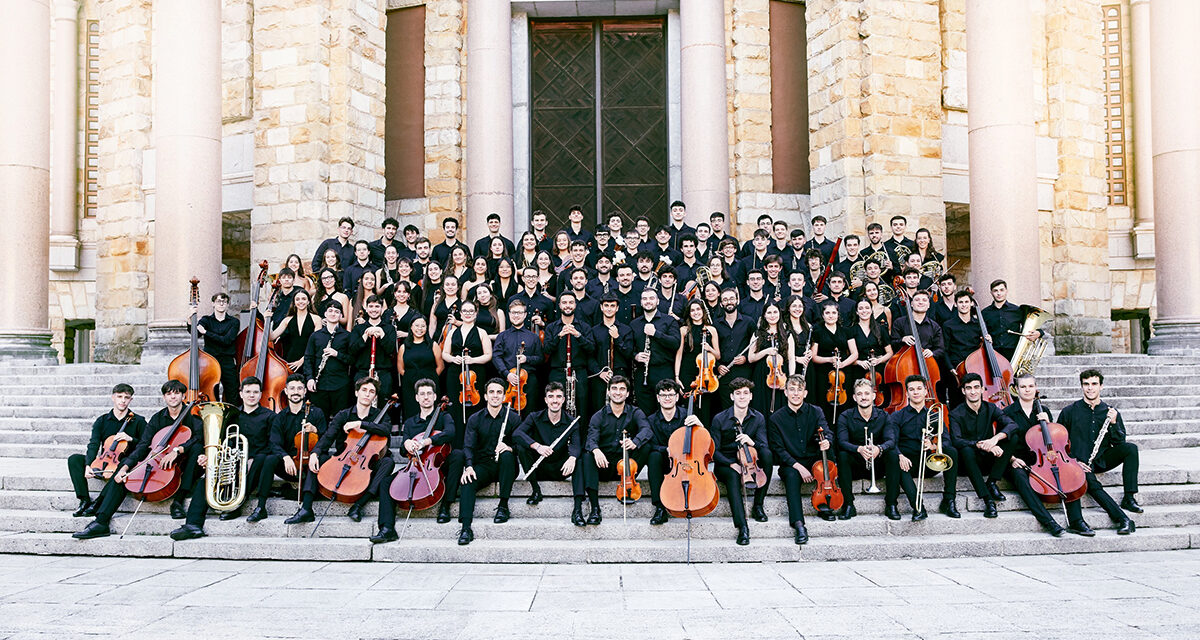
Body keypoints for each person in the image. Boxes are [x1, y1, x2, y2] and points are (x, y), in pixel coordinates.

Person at [73, 380, 201, 539]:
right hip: (159, 459)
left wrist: (178, 450)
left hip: (186, 462)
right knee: (122, 474)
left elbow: (199, 438)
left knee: (196, 450)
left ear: (183, 395)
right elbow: (143, 445)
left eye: (176, 393)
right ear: (164, 397)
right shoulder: (157, 418)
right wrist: (125, 467)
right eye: (169, 393)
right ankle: (101, 521)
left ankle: (178, 500)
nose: (173, 397)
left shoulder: (193, 417)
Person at [285, 378, 397, 545]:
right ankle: (306, 509)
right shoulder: (343, 415)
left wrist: (361, 424)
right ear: (356, 392)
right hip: (342, 461)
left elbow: (386, 430)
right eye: (364, 390)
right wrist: (315, 452)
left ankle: (359, 504)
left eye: (372, 391)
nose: (367, 394)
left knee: (388, 462)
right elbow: (328, 436)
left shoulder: (380, 416)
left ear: (374, 397)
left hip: (366, 466)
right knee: (318, 459)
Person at [169, 375, 276, 537]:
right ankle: (193, 525)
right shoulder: (232, 414)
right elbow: (222, 441)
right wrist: (209, 457)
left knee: (260, 460)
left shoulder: (269, 416)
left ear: (261, 394)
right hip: (232, 459)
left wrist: (250, 459)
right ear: (241, 394)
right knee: (206, 480)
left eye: (255, 392)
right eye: (247, 392)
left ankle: (235, 506)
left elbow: (273, 444)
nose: (251, 395)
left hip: (255, 463)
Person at [1059, 368, 1142, 514]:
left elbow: (1119, 443)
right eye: (1086, 384)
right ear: (1081, 386)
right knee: (1093, 484)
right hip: (1079, 463)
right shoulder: (1069, 411)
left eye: (1094, 384)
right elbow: (1059, 442)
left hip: (1101, 459)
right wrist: (1073, 461)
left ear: (1101, 386)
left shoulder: (1110, 412)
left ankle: (1129, 497)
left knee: (1131, 449)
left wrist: (1114, 423)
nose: (1090, 388)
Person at [883, 375, 959, 521]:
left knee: (952, 452)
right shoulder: (897, 416)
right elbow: (891, 441)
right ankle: (918, 508)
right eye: (911, 389)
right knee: (894, 458)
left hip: (928, 463)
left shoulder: (935, 415)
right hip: (907, 463)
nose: (915, 392)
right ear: (907, 394)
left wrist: (934, 446)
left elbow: (947, 441)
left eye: (919, 389)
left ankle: (949, 500)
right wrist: (900, 455)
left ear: (926, 391)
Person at [67, 383, 149, 518]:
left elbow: (146, 445)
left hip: (126, 463)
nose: (123, 400)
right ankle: (84, 500)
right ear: (113, 398)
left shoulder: (138, 421)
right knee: (74, 459)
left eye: (126, 397)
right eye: (119, 396)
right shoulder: (102, 420)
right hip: (106, 461)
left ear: (131, 400)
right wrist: (88, 465)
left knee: (122, 463)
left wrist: (131, 439)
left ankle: (99, 502)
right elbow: (93, 444)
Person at [455, 379, 521, 545]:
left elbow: (522, 446)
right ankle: (465, 527)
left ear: (504, 396)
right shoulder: (475, 419)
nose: (495, 396)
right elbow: (468, 446)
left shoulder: (513, 418)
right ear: (485, 396)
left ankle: (503, 506)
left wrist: (509, 447)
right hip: (484, 465)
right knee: (467, 481)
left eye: (499, 392)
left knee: (506, 456)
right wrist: (469, 466)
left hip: (506, 466)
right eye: (491, 392)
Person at [254, 374, 327, 523]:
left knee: (322, 459)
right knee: (270, 459)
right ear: (286, 391)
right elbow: (274, 443)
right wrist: (285, 457)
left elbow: (326, 439)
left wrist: (315, 432)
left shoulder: (317, 413)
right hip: (290, 468)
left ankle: (307, 508)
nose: (296, 392)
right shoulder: (279, 417)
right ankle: (261, 507)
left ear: (305, 391)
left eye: (299, 388)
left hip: (311, 467)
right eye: (292, 388)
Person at [769, 375, 831, 543]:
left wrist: (827, 441)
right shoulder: (776, 418)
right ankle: (799, 524)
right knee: (791, 476)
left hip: (812, 459)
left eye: (799, 390)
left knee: (828, 459)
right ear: (786, 392)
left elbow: (826, 431)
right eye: (792, 389)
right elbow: (778, 449)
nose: (796, 393)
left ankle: (824, 504)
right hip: (791, 463)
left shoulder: (816, 411)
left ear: (805, 393)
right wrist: (798, 467)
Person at [710, 377, 770, 545]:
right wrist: (731, 464)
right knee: (732, 476)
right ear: (732, 397)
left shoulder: (758, 418)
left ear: (751, 396)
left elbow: (763, 444)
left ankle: (758, 504)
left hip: (749, 460)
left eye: (745, 393)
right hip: (726, 463)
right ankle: (742, 527)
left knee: (767, 454)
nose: (742, 397)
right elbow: (714, 451)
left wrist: (752, 442)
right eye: (738, 393)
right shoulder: (720, 419)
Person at [949, 373, 1017, 519]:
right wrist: (981, 445)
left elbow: (1012, 425)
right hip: (967, 463)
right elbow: (956, 440)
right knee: (966, 450)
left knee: (1012, 437)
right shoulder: (955, 413)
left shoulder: (991, 408)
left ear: (982, 389)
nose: (972, 391)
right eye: (968, 388)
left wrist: (995, 440)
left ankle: (992, 482)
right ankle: (988, 500)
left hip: (988, 461)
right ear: (963, 391)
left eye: (976, 387)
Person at [397, 378, 459, 523]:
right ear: (417, 398)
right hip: (418, 465)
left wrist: (428, 440)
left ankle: (446, 506)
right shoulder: (410, 423)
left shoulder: (444, 416)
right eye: (422, 394)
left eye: (429, 393)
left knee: (458, 455)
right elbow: (401, 450)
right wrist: (406, 443)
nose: (426, 397)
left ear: (435, 396)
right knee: (387, 482)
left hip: (441, 463)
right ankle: (386, 527)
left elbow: (450, 433)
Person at [513, 382, 582, 511]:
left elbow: (576, 444)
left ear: (563, 399)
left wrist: (572, 458)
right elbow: (517, 434)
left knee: (579, 457)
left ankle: (577, 506)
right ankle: (535, 490)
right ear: (545, 400)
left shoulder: (572, 422)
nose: (554, 400)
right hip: (538, 468)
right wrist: (537, 446)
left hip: (560, 468)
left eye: (558, 396)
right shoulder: (534, 417)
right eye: (551, 396)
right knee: (521, 447)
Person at [643, 380, 699, 525]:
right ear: (657, 398)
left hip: (685, 463)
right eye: (663, 395)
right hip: (664, 462)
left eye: (670, 394)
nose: (667, 398)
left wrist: (700, 425)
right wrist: (667, 450)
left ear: (677, 397)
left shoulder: (688, 416)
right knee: (653, 457)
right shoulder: (651, 420)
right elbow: (651, 445)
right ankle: (660, 508)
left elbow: (701, 441)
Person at [834, 379, 890, 521]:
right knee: (843, 455)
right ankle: (848, 505)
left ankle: (891, 504)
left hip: (877, 466)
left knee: (893, 455)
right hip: (855, 466)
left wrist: (879, 448)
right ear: (854, 397)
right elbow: (841, 442)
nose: (863, 397)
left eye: (867, 393)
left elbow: (891, 440)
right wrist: (858, 449)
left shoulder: (884, 416)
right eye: (859, 394)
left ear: (873, 396)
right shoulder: (845, 416)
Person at [631, 288, 681, 412]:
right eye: (645, 299)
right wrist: (635, 356)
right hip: (642, 374)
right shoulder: (634, 324)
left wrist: (656, 333)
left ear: (658, 301)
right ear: (641, 302)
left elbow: (676, 343)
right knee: (644, 412)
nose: (648, 301)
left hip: (664, 372)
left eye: (652, 298)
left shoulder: (669, 321)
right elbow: (629, 348)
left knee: (665, 411)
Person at [492, 300, 544, 418]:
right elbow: (496, 356)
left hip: (528, 383)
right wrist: (506, 374)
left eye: (519, 313)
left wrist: (527, 359)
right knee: (507, 416)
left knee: (529, 415)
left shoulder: (533, 337)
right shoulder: (502, 336)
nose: (516, 316)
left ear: (525, 315)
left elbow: (540, 358)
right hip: (508, 381)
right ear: (509, 314)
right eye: (513, 313)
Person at [304, 300, 356, 417]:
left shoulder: (347, 336)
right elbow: (308, 359)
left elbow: (352, 360)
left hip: (340, 385)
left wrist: (337, 354)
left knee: (340, 419)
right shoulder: (315, 336)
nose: (333, 314)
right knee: (320, 419)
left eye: (337, 311)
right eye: (330, 311)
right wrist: (310, 379)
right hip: (319, 385)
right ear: (325, 314)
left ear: (341, 315)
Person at [349, 295, 397, 400]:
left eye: (377, 306)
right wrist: (364, 337)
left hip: (383, 374)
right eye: (371, 306)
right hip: (362, 373)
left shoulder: (390, 329)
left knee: (382, 407)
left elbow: (390, 350)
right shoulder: (358, 329)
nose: (374, 309)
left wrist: (382, 336)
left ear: (381, 308)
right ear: (366, 308)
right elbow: (352, 350)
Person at [397, 315, 443, 422]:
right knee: (411, 414)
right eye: (417, 325)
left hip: (430, 384)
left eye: (423, 326)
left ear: (426, 328)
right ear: (411, 327)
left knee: (430, 415)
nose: (420, 328)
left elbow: (440, 366)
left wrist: (431, 377)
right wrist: (411, 377)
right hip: (409, 386)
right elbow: (400, 369)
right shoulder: (404, 347)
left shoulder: (433, 345)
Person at [982, 279, 1041, 362]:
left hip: (1014, 353)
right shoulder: (984, 313)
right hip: (993, 353)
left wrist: (1039, 333)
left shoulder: (1017, 310)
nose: (999, 293)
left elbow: (1032, 328)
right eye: (995, 291)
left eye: (1001, 290)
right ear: (991, 293)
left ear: (1006, 291)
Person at [197, 292, 239, 403]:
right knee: (211, 391)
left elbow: (227, 340)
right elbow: (196, 334)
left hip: (227, 361)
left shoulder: (234, 322)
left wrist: (207, 332)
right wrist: (189, 320)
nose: (221, 304)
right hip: (210, 361)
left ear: (227, 305)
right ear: (213, 304)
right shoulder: (206, 320)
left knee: (232, 390)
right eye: (218, 301)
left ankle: (231, 418)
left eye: (224, 302)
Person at [270, 288, 317, 373]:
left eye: (303, 299)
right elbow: (271, 337)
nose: (301, 301)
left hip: (310, 360)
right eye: (297, 299)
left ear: (308, 301)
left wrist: (302, 361)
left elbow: (316, 344)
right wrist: (266, 319)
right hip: (291, 361)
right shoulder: (287, 320)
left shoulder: (316, 319)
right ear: (294, 303)